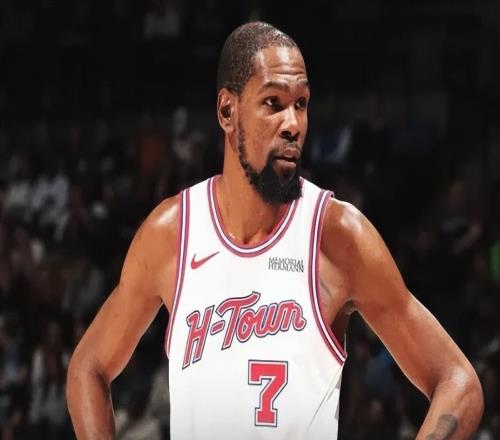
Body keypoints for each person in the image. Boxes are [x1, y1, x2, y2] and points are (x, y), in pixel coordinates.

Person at [66, 22, 483, 439]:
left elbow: (459, 383)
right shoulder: (172, 234)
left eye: (301, 104)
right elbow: (88, 367)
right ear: (227, 112)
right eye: (273, 103)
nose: (293, 124)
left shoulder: (336, 236)